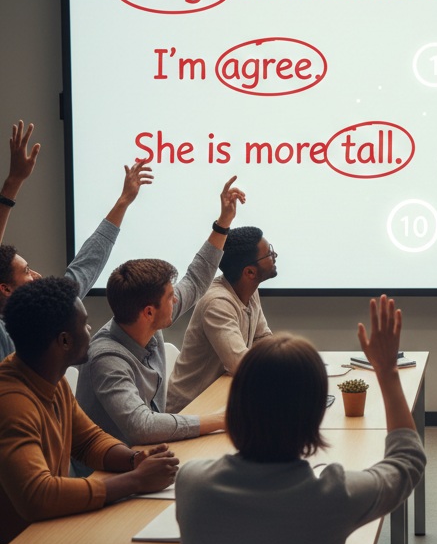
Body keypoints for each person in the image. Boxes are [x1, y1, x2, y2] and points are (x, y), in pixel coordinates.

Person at [175, 296, 426, 544]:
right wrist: (386, 373)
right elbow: (407, 462)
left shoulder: (191, 483)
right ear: (314, 416)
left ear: (235, 407)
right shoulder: (333, 496)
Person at [0, 277, 178, 544]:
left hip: (44, 542)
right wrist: (132, 481)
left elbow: (88, 440)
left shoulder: (46, 377)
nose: (90, 330)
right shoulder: (11, 402)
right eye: (82, 325)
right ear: (63, 341)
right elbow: (38, 494)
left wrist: (134, 458)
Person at [75, 176, 246, 445]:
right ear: (148, 312)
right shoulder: (106, 359)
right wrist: (222, 420)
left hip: (147, 456)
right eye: (170, 297)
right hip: (106, 473)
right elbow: (141, 426)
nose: (176, 300)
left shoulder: (145, 325)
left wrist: (222, 224)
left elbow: (196, 280)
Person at [0, 119, 153, 359]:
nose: (37, 276)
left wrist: (123, 201)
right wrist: (12, 184)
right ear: (6, 288)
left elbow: (87, 263)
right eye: (27, 271)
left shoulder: (47, 313)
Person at [166, 225, 275, 413]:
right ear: (249, 272)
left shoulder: (250, 288)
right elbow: (240, 364)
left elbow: (262, 339)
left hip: (221, 399)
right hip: (190, 409)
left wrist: (285, 361)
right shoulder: (217, 303)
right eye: (269, 254)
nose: (275, 256)